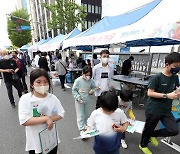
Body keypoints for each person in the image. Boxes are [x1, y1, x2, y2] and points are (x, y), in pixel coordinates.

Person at [139, 52, 180, 154]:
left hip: (166, 110)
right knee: (149, 128)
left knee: (174, 130)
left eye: (179, 67)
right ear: (167, 65)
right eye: (175, 67)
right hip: (154, 109)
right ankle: (143, 145)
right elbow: (150, 93)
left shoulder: (175, 77)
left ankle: (153, 134)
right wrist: (167, 95)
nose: (177, 69)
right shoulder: (157, 77)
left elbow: (176, 89)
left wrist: (177, 93)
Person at [18, 68, 65, 154]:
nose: (43, 84)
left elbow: (61, 113)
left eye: (45, 82)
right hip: (34, 143)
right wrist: (46, 119)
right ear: (32, 84)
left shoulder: (52, 98)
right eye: (38, 82)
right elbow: (24, 120)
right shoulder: (25, 99)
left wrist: (50, 118)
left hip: (51, 139)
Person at [72, 65, 96, 135]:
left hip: (87, 99)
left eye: (89, 75)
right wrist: (78, 97)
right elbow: (74, 90)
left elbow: (94, 87)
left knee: (87, 114)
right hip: (79, 100)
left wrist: (92, 90)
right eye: (86, 75)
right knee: (80, 115)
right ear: (83, 73)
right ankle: (81, 129)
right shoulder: (78, 80)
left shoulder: (90, 80)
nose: (87, 77)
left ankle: (86, 126)